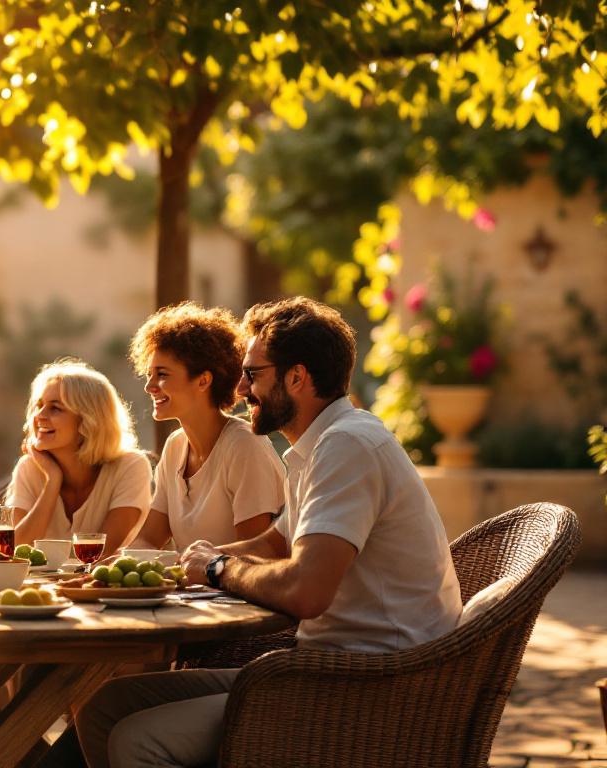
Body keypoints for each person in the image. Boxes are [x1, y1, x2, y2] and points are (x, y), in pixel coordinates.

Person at [76, 297, 462, 768]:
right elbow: (274, 543)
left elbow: (305, 591)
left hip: (371, 682)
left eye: (253, 374)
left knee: (137, 739)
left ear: (296, 377)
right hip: (321, 665)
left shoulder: (347, 447)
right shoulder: (316, 448)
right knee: (106, 708)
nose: (239, 388)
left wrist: (217, 567)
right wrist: (188, 564)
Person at [127, 302, 284, 553]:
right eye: (149, 374)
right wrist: (104, 571)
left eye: (162, 374)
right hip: (191, 591)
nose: (150, 386)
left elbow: (255, 554)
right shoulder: (176, 446)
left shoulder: (244, 446)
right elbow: (147, 540)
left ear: (203, 380)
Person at [7, 359, 151, 560]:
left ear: (88, 420)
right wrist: (52, 481)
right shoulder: (29, 468)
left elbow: (101, 553)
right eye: (39, 405)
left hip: (100, 589)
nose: (39, 415)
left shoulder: (131, 466)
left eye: (55, 408)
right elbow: (16, 550)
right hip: (39, 589)